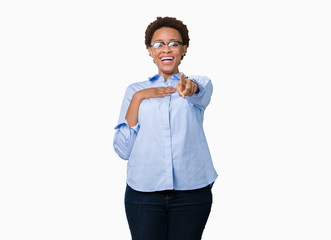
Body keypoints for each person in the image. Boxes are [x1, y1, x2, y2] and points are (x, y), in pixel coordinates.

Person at [113, 16, 218, 240]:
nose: (166, 49)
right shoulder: (135, 91)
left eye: (174, 43)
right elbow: (123, 150)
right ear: (150, 51)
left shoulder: (196, 85)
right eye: (158, 44)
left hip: (192, 191)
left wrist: (190, 86)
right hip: (143, 193)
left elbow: (199, 90)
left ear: (184, 49)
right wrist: (139, 99)